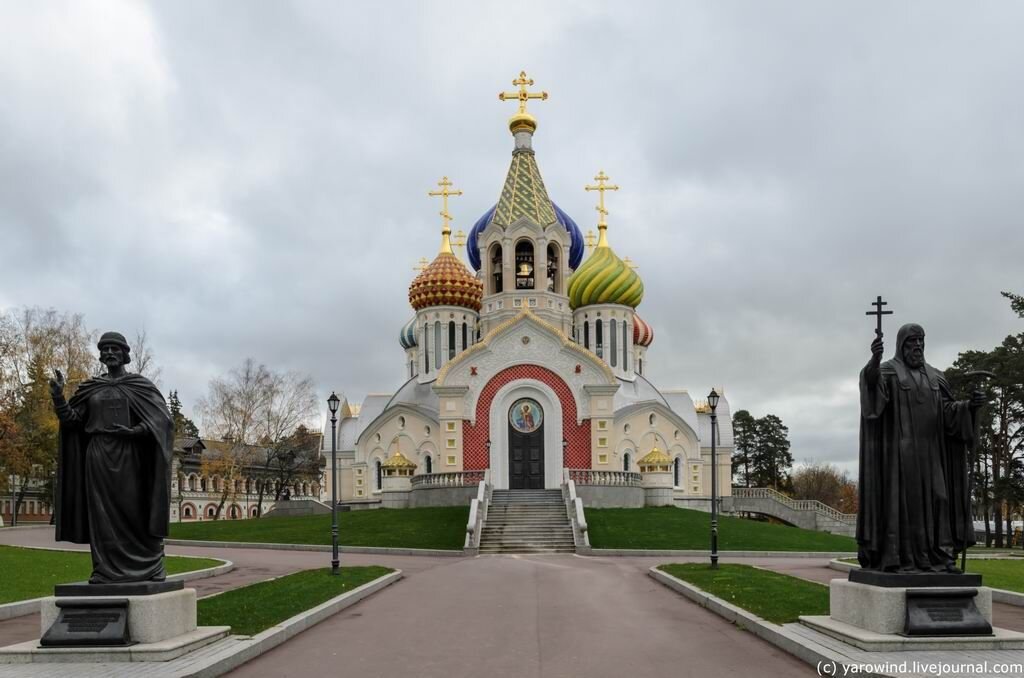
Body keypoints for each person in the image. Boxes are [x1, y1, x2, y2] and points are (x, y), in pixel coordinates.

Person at [857, 323, 985, 573]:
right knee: (905, 506)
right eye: (911, 342)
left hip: (932, 453)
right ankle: (899, 557)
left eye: (920, 341)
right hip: (900, 457)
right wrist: (874, 361)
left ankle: (942, 556)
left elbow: (948, 414)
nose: (917, 346)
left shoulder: (936, 377)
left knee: (940, 498)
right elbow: (872, 394)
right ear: (901, 345)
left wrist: (969, 407)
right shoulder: (889, 372)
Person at [49, 331, 174, 584]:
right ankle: (105, 569)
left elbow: (162, 421)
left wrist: (134, 431)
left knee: (134, 508)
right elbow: (73, 421)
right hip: (97, 457)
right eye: (105, 349)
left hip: (130, 457)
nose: (109, 353)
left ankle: (149, 566)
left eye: (114, 349)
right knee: (101, 514)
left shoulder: (139, 386)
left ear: (125, 354)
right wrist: (58, 397)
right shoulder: (91, 388)